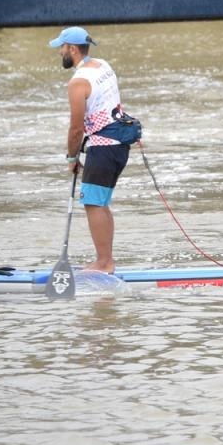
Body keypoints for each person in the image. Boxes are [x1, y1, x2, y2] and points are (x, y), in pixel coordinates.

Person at [50, 26, 140, 273]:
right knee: (100, 202)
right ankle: (105, 260)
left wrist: (71, 157)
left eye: (62, 47)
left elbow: (76, 128)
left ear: (73, 49)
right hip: (119, 146)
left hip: (103, 149)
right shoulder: (103, 65)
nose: (60, 52)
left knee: (93, 204)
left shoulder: (78, 83)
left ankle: (104, 263)